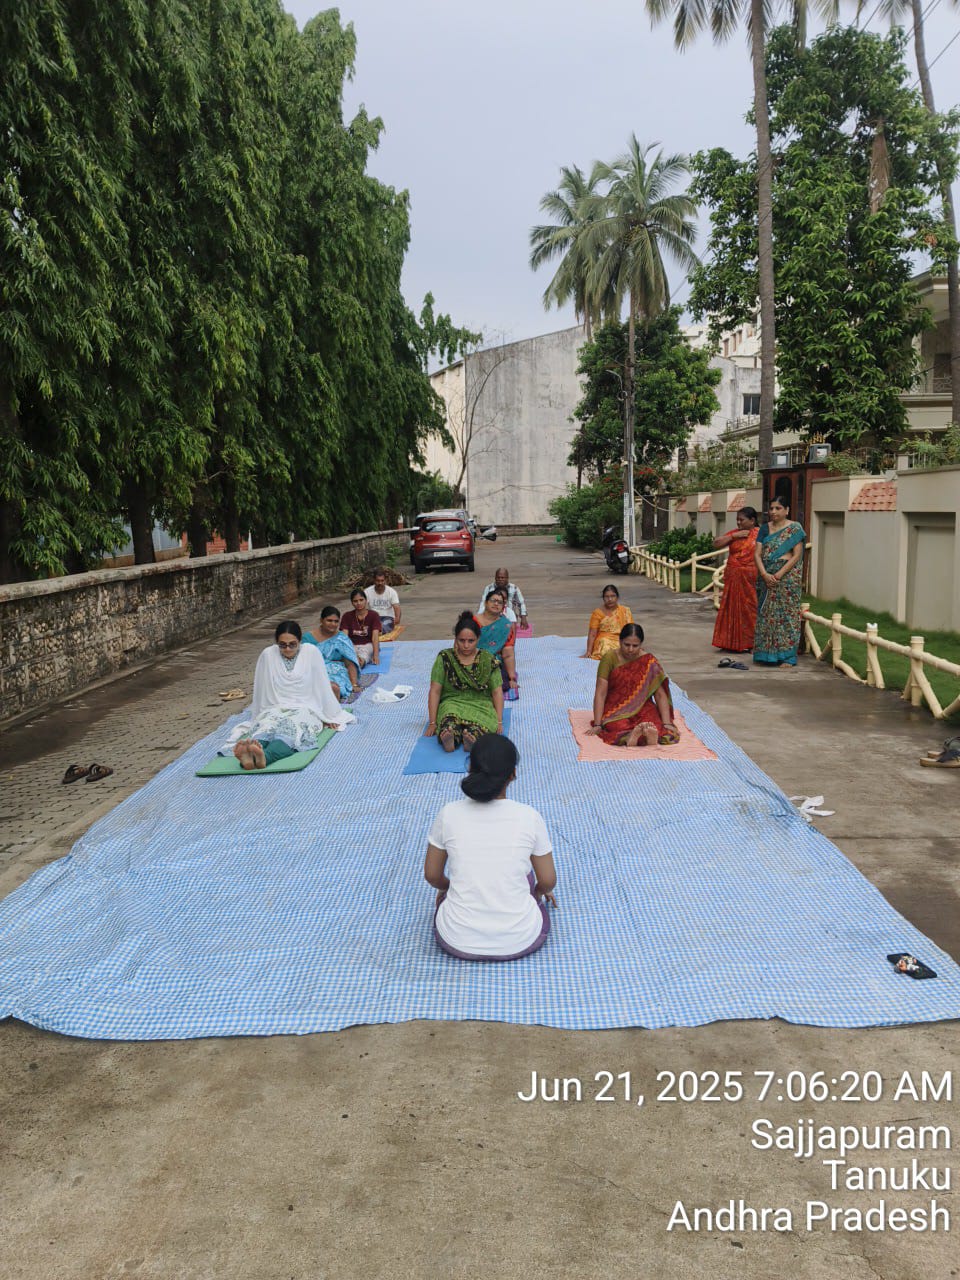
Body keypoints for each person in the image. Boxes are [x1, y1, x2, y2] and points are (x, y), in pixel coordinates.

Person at [424, 734, 557, 960]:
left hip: (456, 938)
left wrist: (449, 888)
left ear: (470, 769)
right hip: (521, 937)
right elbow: (548, 880)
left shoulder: (448, 814)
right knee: (526, 876)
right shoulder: (529, 817)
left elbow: (432, 875)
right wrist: (536, 894)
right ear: (513, 774)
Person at [228, 621, 352, 769]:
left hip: (306, 707)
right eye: (282, 645)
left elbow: (322, 686)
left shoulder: (311, 652)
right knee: (266, 725)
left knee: (293, 729)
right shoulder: (268, 654)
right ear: (276, 643)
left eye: (292, 644)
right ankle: (249, 755)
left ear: (300, 641)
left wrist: (328, 715)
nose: (287, 649)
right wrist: (262, 713)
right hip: (275, 706)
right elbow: (263, 689)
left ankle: (265, 757)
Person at [587, 623, 679, 747]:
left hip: (643, 706)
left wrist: (667, 723)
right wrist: (598, 724)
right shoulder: (609, 658)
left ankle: (642, 736)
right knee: (617, 726)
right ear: (620, 641)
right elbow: (601, 692)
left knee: (654, 725)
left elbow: (660, 695)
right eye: (627, 645)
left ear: (641, 644)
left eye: (635, 646)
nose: (630, 649)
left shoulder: (649, 661)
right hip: (616, 708)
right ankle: (633, 736)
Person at [425, 612, 503, 752]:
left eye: (471, 641)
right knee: (449, 723)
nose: (466, 645)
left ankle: (472, 738)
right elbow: (435, 690)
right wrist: (432, 722)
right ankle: (451, 738)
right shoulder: (445, 658)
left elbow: (497, 692)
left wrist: (499, 721)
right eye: (461, 640)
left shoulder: (488, 659)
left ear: (478, 639)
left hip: (481, 705)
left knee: (480, 726)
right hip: (452, 703)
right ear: (455, 639)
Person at [753, 497, 806, 668]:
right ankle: (766, 654)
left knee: (786, 616)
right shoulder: (764, 528)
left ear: (787, 510)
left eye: (778, 508)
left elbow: (796, 555)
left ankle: (787, 657)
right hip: (766, 576)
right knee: (766, 615)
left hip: (786, 578)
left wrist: (778, 575)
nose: (774, 511)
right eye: (771, 508)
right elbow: (757, 554)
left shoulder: (795, 528)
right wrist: (764, 574)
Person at [712, 506, 760, 653]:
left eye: (742, 520)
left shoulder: (760, 534)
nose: (739, 522)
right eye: (737, 520)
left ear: (752, 520)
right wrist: (734, 536)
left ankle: (753, 643)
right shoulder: (735, 533)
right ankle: (730, 642)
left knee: (751, 609)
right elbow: (716, 543)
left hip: (750, 579)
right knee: (731, 608)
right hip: (733, 578)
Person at [302, 606, 361, 700]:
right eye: (329, 620)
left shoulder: (341, 639)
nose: (333, 624)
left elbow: (350, 662)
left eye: (336, 621)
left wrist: (354, 684)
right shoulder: (308, 638)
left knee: (337, 687)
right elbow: (303, 661)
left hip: (337, 672)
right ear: (321, 620)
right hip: (315, 671)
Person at [475, 587, 518, 696]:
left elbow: (508, 654)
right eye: (493, 600)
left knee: (500, 684)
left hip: (493, 663)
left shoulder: (505, 625)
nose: (496, 604)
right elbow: (460, 645)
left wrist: (512, 678)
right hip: (471, 661)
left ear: (503, 607)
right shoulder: (472, 622)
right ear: (485, 603)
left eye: (500, 602)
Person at [584, 584, 633, 660]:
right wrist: (589, 651)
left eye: (613, 596)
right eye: (607, 597)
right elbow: (592, 634)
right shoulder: (597, 613)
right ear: (603, 598)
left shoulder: (625, 611)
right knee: (605, 644)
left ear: (617, 597)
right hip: (604, 640)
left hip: (621, 639)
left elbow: (631, 630)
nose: (610, 599)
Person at [339, 588, 381, 667]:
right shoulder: (347, 616)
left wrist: (376, 655)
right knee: (347, 655)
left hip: (368, 645)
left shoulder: (374, 615)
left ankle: (360, 662)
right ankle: (353, 662)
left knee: (364, 656)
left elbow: (375, 637)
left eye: (361, 600)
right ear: (352, 603)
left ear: (366, 600)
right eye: (355, 601)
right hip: (352, 645)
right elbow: (344, 637)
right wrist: (347, 651)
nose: (358, 603)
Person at [364, 569, 401, 634]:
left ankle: (377, 630)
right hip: (373, 617)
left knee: (385, 625)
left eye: (382, 580)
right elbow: (363, 607)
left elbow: (396, 607)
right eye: (378, 581)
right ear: (374, 580)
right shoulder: (367, 592)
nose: (380, 583)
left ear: (385, 581)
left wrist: (397, 618)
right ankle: (375, 630)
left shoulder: (392, 592)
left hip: (388, 617)